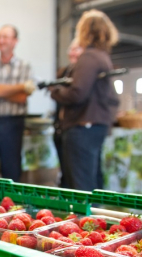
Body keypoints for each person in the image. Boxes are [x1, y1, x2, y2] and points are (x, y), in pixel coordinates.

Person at [51, 10, 120, 191]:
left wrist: (55, 91)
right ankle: (95, 217)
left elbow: (77, 93)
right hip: (96, 126)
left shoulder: (89, 57)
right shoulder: (102, 56)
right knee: (92, 178)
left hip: (83, 128)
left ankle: (85, 219)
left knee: (80, 183)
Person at [0, 25, 35, 181]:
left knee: (12, 172)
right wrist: (21, 87)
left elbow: (22, 98)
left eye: (6, 37)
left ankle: (10, 205)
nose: (1, 40)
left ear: (15, 41)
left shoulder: (25, 66)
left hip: (13, 124)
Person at [54, 39, 83, 188]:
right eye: (71, 49)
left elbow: (73, 96)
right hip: (62, 128)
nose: (73, 52)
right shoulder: (64, 71)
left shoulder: (84, 73)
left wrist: (57, 91)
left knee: (79, 175)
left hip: (78, 129)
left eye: (77, 49)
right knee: (66, 171)